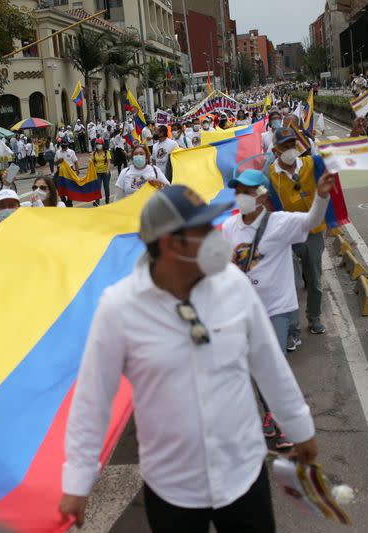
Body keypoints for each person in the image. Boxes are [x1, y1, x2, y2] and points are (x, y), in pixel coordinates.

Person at [59, 184, 318, 532]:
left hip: (243, 473)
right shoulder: (119, 308)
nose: (215, 239)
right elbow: (93, 399)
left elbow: (270, 365)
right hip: (172, 489)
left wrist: (300, 428)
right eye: (201, 231)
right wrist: (77, 480)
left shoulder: (233, 286)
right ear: (169, 243)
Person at [223, 169, 333, 450]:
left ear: (261, 196)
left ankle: (278, 419)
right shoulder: (229, 228)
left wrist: (320, 196)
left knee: (275, 363)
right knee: (255, 366)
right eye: (238, 191)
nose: (242, 197)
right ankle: (269, 412)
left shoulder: (280, 223)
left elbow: (312, 220)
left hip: (276, 308)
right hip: (244, 309)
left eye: (247, 192)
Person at [266, 128, 329, 351]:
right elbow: (266, 206)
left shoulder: (312, 164)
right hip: (286, 237)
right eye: (285, 145)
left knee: (315, 281)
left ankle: (314, 319)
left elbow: (338, 159)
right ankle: (292, 331)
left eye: (292, 144)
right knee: (289, 285)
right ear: (276, 150)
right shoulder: (269, 174)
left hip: (312, 232)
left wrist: (353, 133)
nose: (290, 149)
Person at [91, 139, 112, 206]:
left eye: (99, 144)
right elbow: (92, 162)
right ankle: (97, 202)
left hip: (106, 173)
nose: (98, 145)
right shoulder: (94, 153)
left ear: (102, 144)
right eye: (97, 144)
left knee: (106, 187)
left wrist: (108, 170)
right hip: (97, 173)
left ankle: (107, 200)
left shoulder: (106, 152)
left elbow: (109, 162)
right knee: (97, 188)